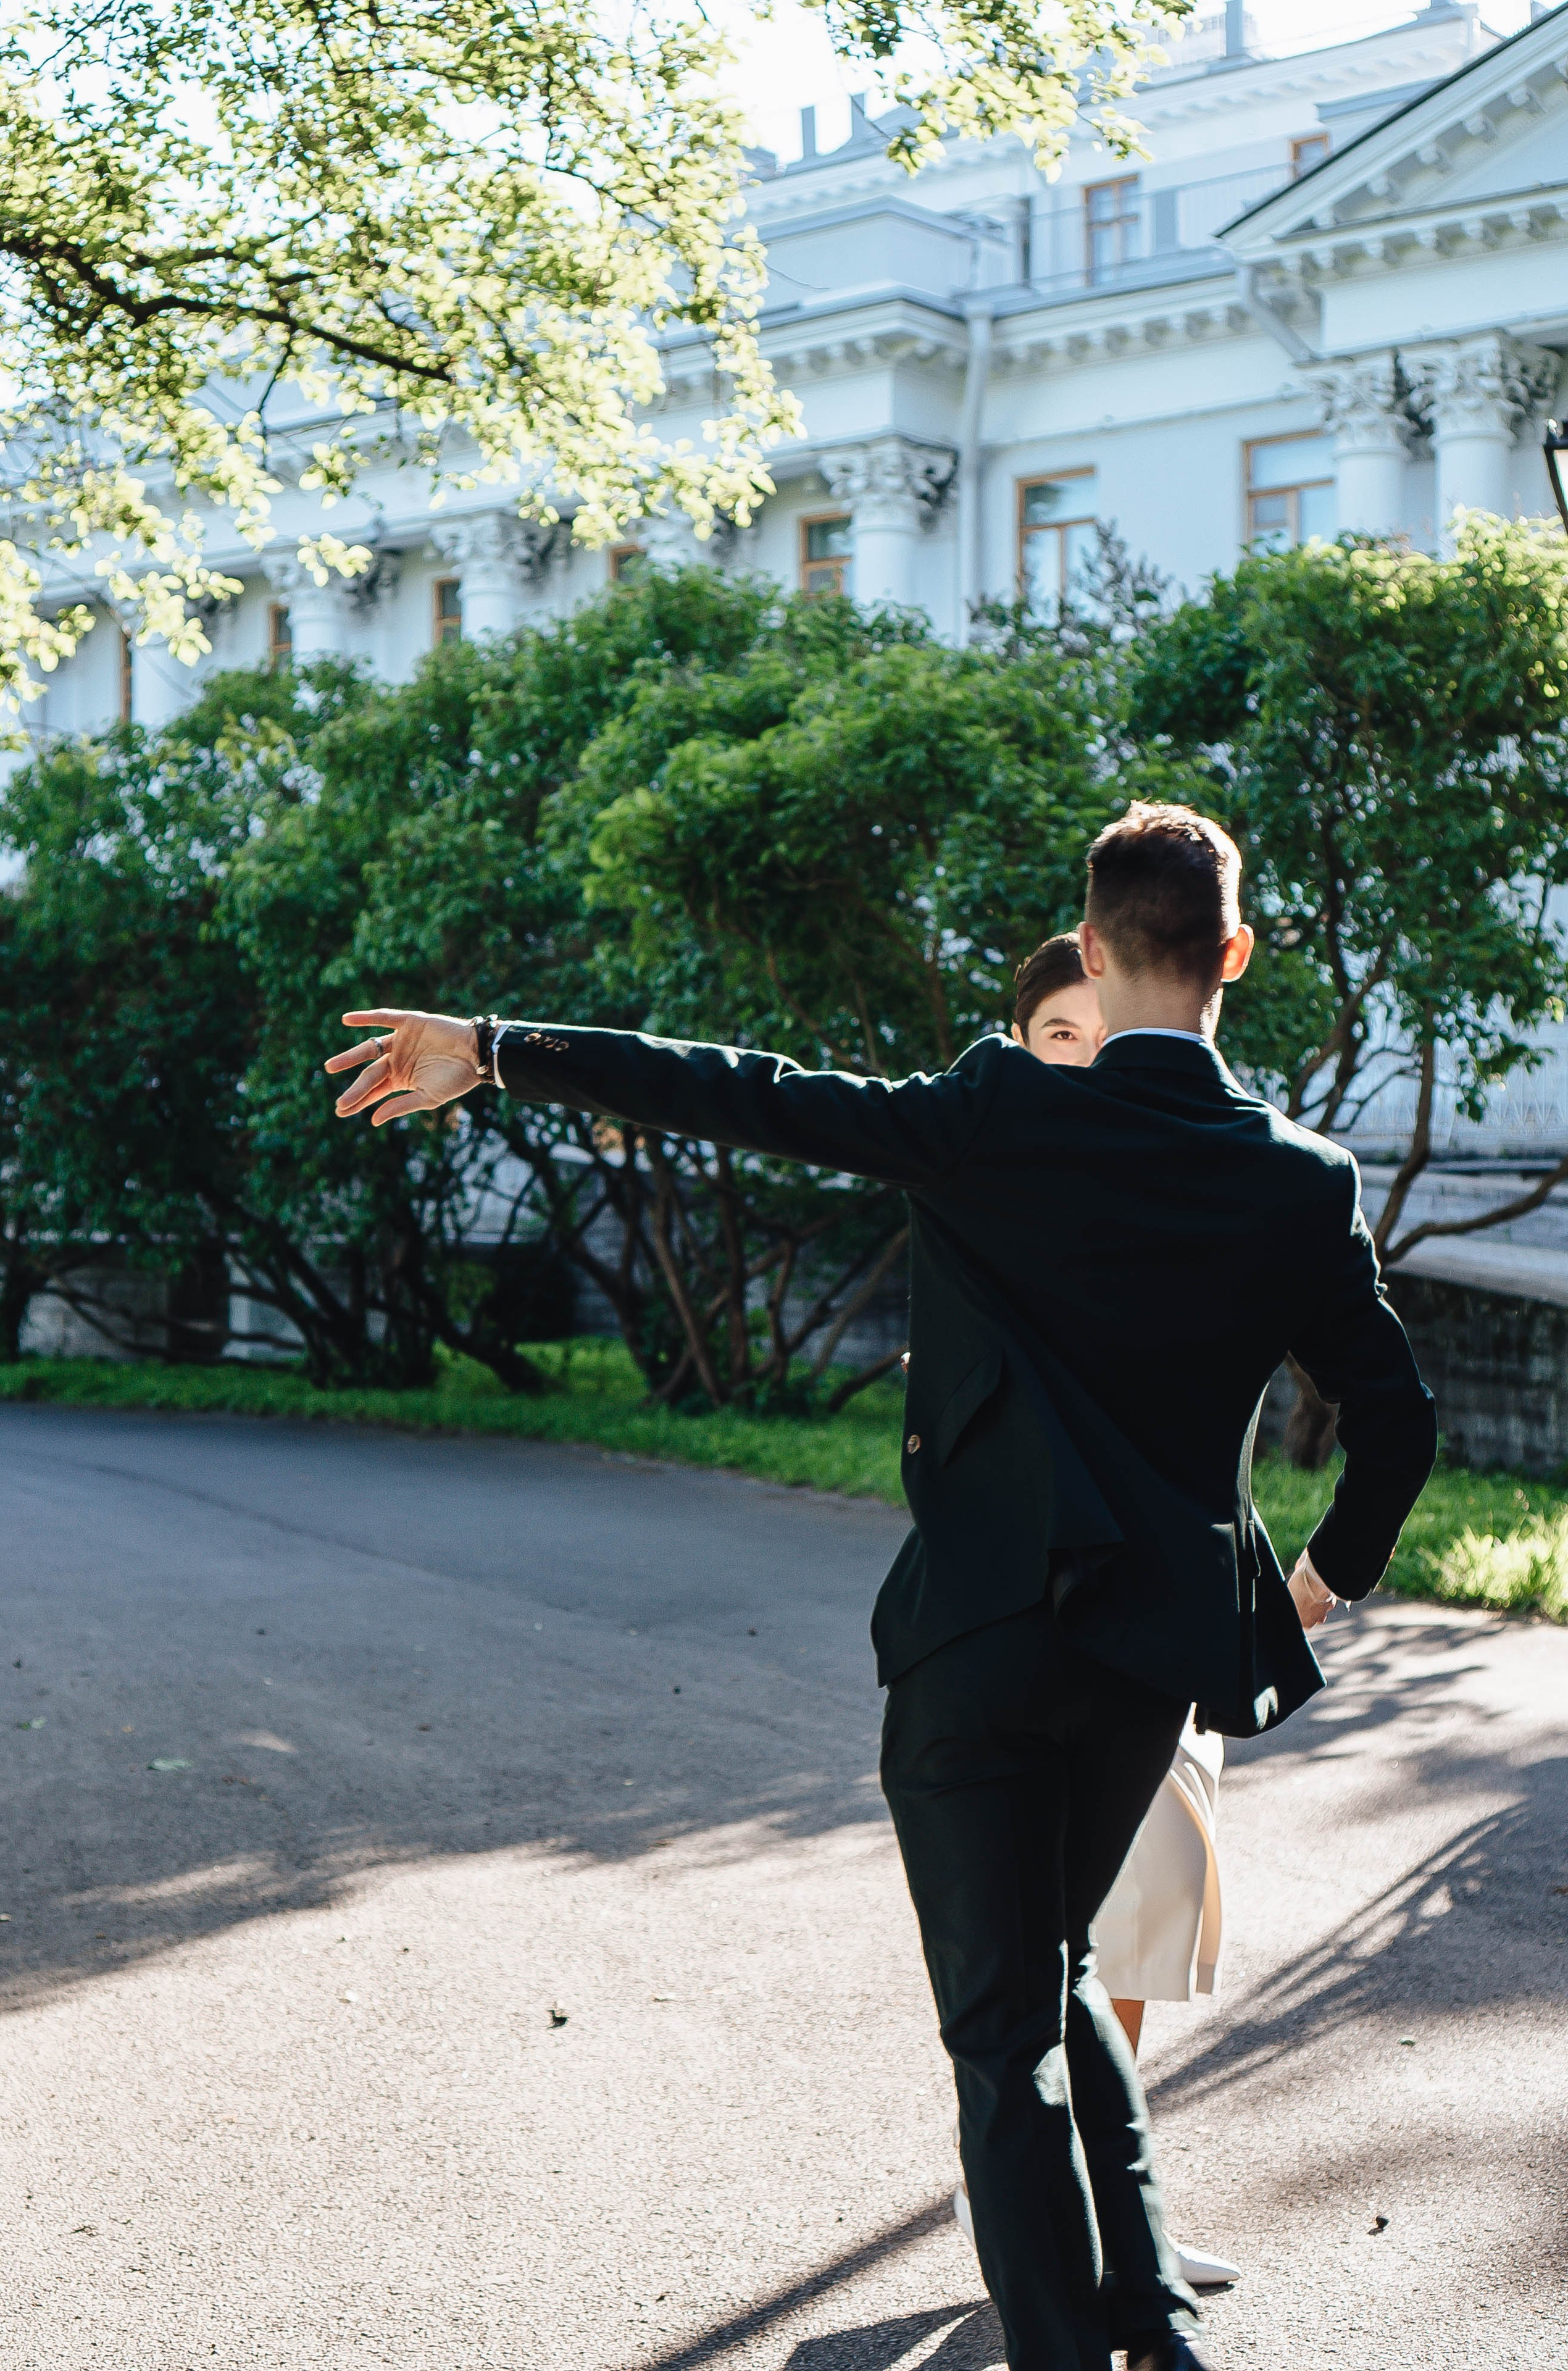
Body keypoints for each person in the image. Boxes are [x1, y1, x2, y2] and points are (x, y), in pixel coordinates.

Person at [323, 802, 1437, 2371]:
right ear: (1232, 957)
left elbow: (752, 1096)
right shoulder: (1296, 1180)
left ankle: (1090, 2342)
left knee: (1003, 2036)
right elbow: (1396, 1421)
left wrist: (499, 1046)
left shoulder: (992, 1114)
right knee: (1047, 1986)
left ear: (1096, 953)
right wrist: (1316, 1590)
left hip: (972, 1646)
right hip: (1142, 1675)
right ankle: (1155, 2317)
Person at [975, 930, 1238, 2293]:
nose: (1083, 1062)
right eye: (1055, 1039)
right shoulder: (998, 1190)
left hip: (1170, 1631)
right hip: (1039, 1637)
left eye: (1101, 1033)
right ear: (1016, 1053)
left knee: (1135, 1932)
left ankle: (1109, 2212)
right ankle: (1060, 2225)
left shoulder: (1189, 1186)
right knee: (1059, 1941)